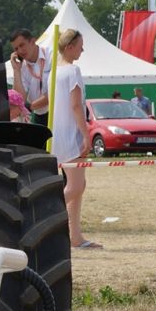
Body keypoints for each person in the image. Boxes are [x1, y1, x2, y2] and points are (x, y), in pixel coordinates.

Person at [50, 27, 100, 250]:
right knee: (76, 186)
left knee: (78, 185)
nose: (83, 49)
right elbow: (76, 106)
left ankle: (75, 236)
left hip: (57, 135)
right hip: (71, 135)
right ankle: (49, 216)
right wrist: (85, 134)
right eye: (80, 46)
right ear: (70, 47)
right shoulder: (73, 71)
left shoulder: (53, 72)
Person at [10, 28, 52, 126]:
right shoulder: (22, 67)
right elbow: (18, 100)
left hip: (58, 112)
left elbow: (55, 92)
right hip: (39, 116)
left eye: (22, 45)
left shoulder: (51, 55)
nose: (20, 50)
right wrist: (16, 70)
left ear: (32, 41)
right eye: (16, 48)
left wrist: (30, 106)